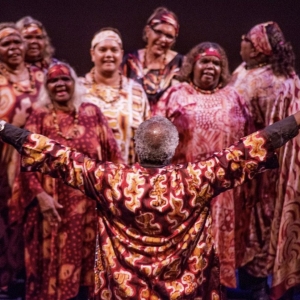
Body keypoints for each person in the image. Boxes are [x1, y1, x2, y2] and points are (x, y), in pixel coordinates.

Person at [1, 113, 300, 300]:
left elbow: (55, 154)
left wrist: (3, 126)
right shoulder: (197, 178)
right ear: (172, 148)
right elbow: (253, 146)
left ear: (136, 146)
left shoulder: (110, 180)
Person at [8, 61, 123, 300]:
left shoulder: (92, 112)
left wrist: (112, 195)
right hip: (52, 210)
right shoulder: (39, 116)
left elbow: (114, 156)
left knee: (90, 274)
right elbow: (26, 160)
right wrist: (41, 197)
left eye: (65, 79)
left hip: (89, 209)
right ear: (46, 87)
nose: (60, 84)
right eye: (53, 80)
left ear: (74, 83)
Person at [154, 42, 252, 289]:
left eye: (216, 63)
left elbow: (250, 140)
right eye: (204, 61)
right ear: (192, 65)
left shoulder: (234, 97)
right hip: (184, 189)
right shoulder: (176, 94)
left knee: (216, 254)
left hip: (224, 193)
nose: (211, 67)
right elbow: (155, 137)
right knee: (182, 252)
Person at [230, 21, 297, 299]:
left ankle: (255, 286)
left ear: (257, 49)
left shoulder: (268, 81)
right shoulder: (251, 72)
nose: (241, 42)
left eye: (246, 38)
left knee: (257, 224)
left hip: (258, 167)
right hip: (259, 165)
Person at [0, 22, 43, 296]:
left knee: (36, 221)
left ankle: (34, 283)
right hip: (5, 165)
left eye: (18, 42)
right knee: (6, 222)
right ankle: (7, 283)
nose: (14, 48)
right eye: (6, 44)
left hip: (38, 163)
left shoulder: (42, 77)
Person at [81, 27, 150, 165]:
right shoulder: (78, 90)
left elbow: (147, 140)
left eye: (114, 50)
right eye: (102, 49)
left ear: (121, 54)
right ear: (92, 54)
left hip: (128, 180)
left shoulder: (136, 91)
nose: (108, 54)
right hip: (87, 179)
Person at [122, 7, 184, 111]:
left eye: (169, 36)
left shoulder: (182, 64)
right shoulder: (129, 61)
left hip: (168, 125)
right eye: (158, 32)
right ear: (147, 31)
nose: (163, 39)